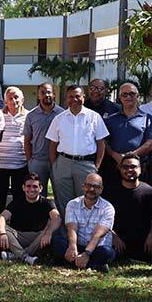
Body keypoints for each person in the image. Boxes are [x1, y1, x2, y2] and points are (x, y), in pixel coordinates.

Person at [46, 85, 107, 215]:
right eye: (71, 96)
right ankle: (64, 234)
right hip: (63, 163)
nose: (74, 99)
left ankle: (84, 234)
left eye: (78, 96)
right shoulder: (59, 118)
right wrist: (55, 165)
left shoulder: (94, 117)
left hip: (86, 164)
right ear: (66, 99)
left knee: (87, 200)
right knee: (64, 202)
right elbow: (52, 144)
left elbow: (101, 143)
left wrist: (96, 166)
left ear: (83, 98)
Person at [49, 173, 115, 272]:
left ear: (101, 189)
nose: (91, 189)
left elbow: (98, 235)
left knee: (107, 252)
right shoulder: (72, 204)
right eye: (88, 185)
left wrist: (86, 253)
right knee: (57, 241)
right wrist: (72, 246)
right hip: (77, 245)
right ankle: (93, 265)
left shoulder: (108, 208)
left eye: (95, 186)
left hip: (96, 247)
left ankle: (70, 262)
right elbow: (72, 229)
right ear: (83, 186)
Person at [101, 82, 152, 198]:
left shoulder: (147, 118)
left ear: (137, 96)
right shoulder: (111, 119)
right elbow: (103, 141)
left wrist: (129, 157)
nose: (128, 97)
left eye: (132, 94)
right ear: (120, 98)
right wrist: (115, 155)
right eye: (124, 94)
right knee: (114, 198)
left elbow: (150, 144)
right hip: (115, 166)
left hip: (138, 167)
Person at [108, 153, 152, 263]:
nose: (129, 170)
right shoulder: (111, 191)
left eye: (133, 167)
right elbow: (103, 219)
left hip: (143, 241)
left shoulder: (150, 192)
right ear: (120, 169)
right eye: (125, 167)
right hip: (118, 241)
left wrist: (151, 236)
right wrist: (113, 236)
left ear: (140, 169)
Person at [0, 173, 61, 264]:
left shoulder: (47, 203)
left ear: (40, 188)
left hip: (38, 238)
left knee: (50, 227)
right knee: (2, 228)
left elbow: (57, 218)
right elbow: (2, 217)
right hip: (18, 237)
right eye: (28, 186)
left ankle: (17, 255)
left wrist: (49, 233)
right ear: (23, 187)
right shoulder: (17, 202)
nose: (31, 189)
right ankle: (25, 256)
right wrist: (2, 233)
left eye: (35, 186)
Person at [0, 85, 29, 212]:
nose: (14, 101)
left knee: (19, 196)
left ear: (22, 99)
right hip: (0, 164)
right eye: (10, 98)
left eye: (16, 97)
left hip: (20, 164)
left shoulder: (29, 116)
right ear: (5, 101)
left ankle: (16, 225)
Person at [23, 82, 63, 195]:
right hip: (37, 161)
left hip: (58, 161)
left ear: (54, 94)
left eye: (49, 92)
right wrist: (29, 160)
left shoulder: (62, 114)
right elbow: (27, 140)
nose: (46, 95)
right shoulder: (31, 115)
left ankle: (59, 213)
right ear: (38, 95)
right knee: (37, 194)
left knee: (60, 193)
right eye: (43, 92)